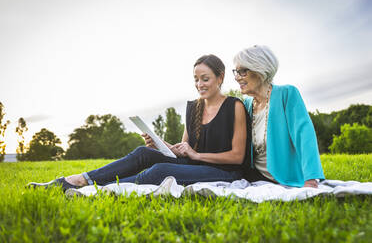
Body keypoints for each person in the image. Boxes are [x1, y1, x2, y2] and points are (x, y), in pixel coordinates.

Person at [28, 54, 251, 191]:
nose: (199, 84)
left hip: (224, 171)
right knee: (142, 153)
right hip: (195, 165)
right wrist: (161, 144)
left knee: (161, 170)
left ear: (220, 77)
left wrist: (196, 155)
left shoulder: (235, 106)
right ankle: (78, 179)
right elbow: (183, 150)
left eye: (205, 78)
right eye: (195, 79)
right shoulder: (194, 107)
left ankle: (97, 188)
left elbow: (237, 157)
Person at [232, 45, 325, 188]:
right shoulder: (247, 104)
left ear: (260, 70)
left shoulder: (287, 93)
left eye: (242, 71)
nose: (237, 77)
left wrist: (311, 179)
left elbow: (304, 136)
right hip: (255, 176)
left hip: (285, 177)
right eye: (236, 72)